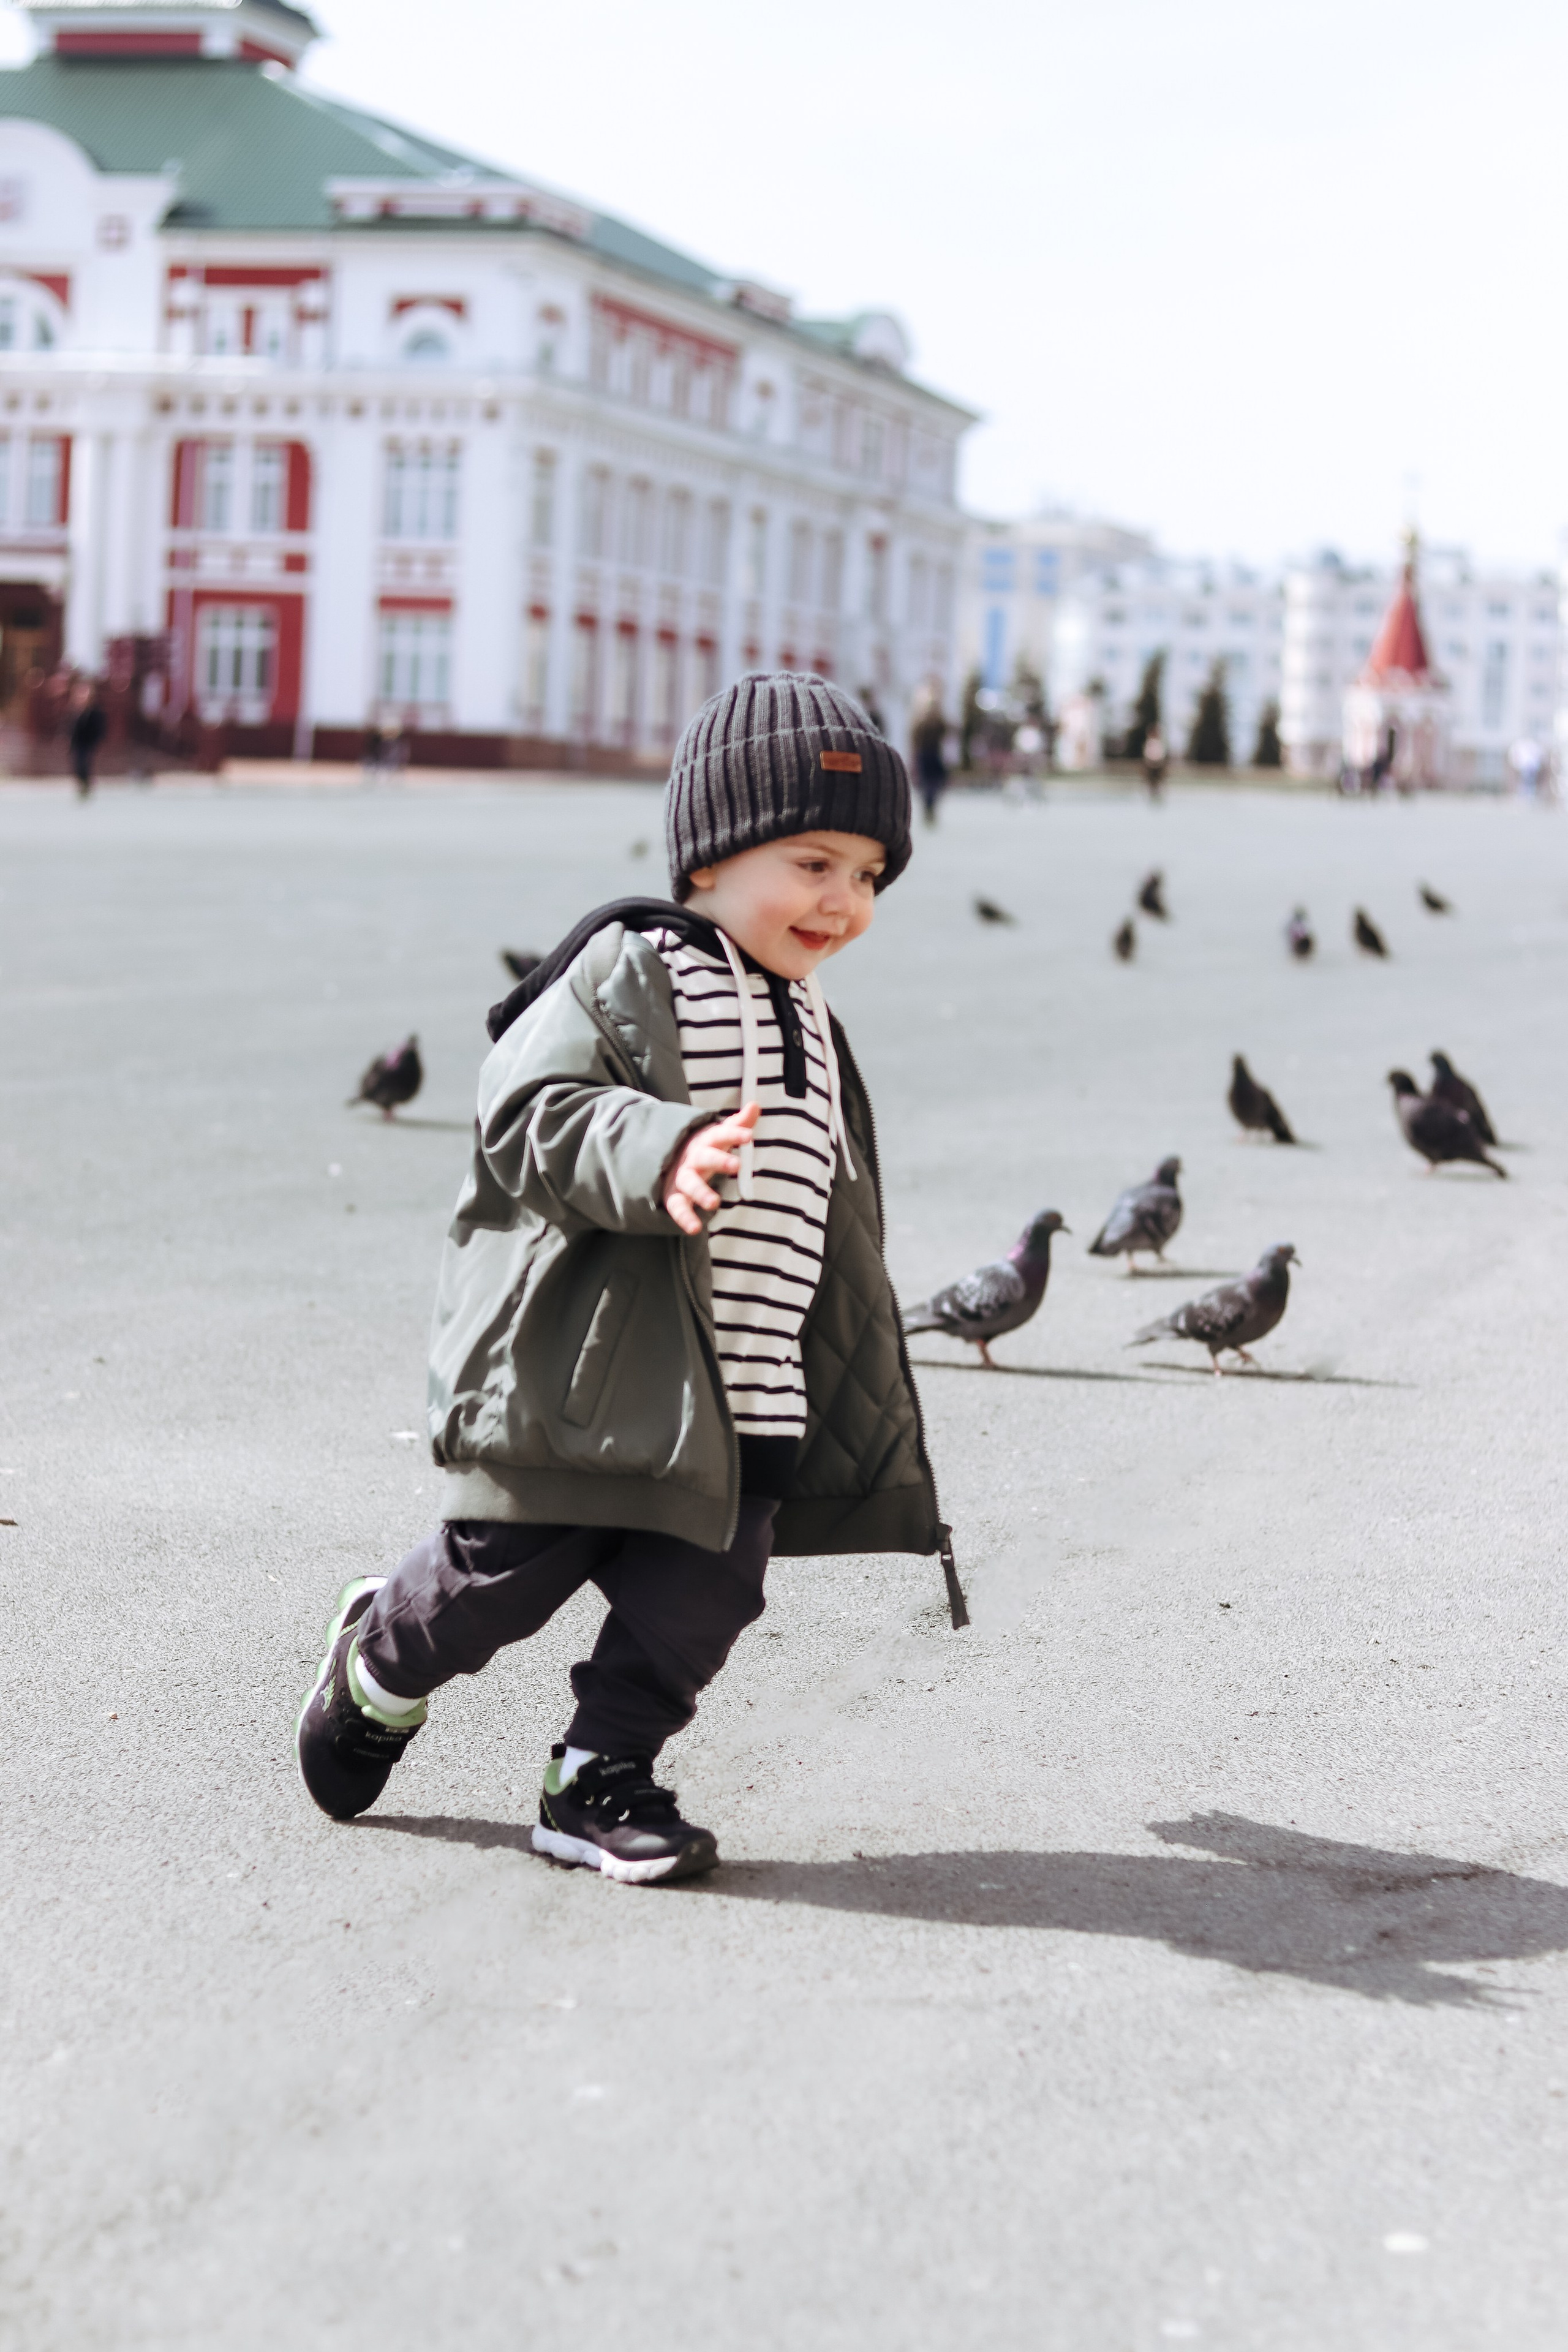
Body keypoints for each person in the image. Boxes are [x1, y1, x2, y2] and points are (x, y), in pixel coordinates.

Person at [296, 673, 954, 1881]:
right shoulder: (631, 966)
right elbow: (529, 1113)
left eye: (869, 876)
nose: (844, 901)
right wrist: (657, 1151)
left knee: (701, 1602)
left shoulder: (810, 1013)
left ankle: (597, 1775)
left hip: (749, 1391)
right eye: (813, 864)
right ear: (710, 858)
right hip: (594, 1380)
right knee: (496, 1583)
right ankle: (382, 1656)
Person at [911, 699, 948, 825]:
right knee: (926, 785)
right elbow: (916, 741)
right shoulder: (922, 724)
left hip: (935, 754)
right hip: (925, 755)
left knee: (936, 783)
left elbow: (946, 734)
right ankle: (928, 810)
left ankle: (931, 809)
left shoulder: (939, 723)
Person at [69, 682, 107, 799]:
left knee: (85, 763)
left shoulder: (95, 712)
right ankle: (82, 784)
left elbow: (99, 728)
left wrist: (97, 741)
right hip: (78, 744)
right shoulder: (76, 711)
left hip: (89, 743)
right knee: (78, 764)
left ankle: (87, 785)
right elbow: (73, 730)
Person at [1140, 727, 1167, 801]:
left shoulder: (1159, 742)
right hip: (1151, 764)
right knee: (1151, 780)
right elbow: (1147, 753)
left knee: (1159, 780)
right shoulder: (1150, 742)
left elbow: (1161, 753)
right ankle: (1151, 793)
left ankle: (1159, 793)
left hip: (1158, 764)